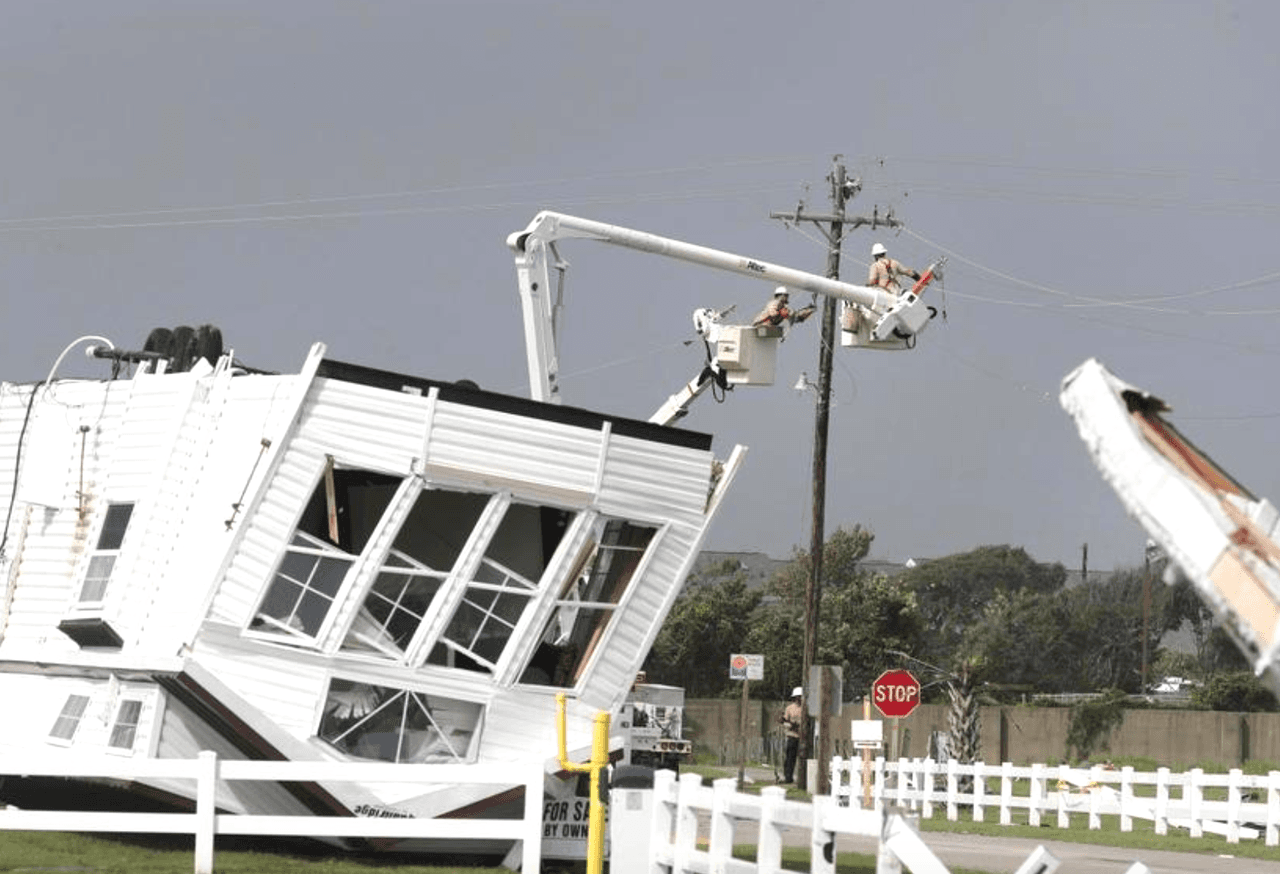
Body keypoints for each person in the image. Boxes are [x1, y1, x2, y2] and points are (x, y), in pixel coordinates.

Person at [779, 686, 803, 783]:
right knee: (790, 758)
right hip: (792, 736)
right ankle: (788, 777)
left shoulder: (806, 708)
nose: (799, 699)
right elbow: (785, 722)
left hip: (803, 737)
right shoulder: (789, 708)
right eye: (797, 697)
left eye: (800, 696)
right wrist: (789, 724)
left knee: (803, 759)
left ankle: (803, 779)